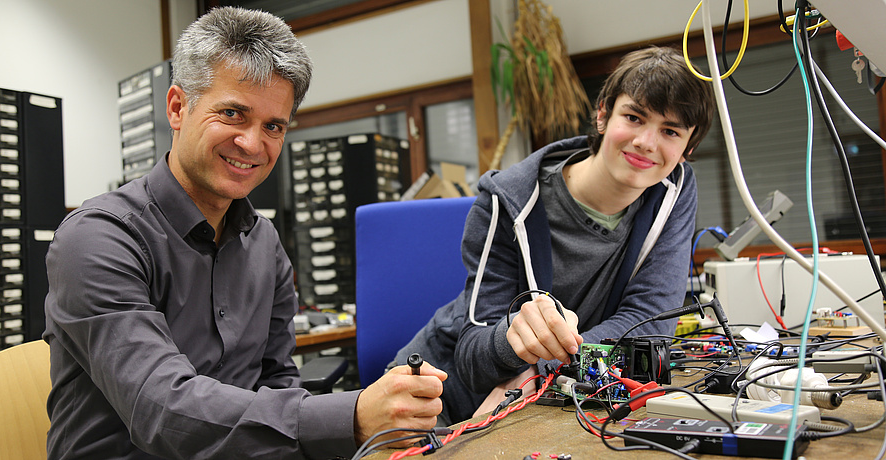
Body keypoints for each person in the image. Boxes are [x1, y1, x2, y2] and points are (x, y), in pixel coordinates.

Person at [43, 7, 445, 459]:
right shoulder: (99, 239)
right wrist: (350, 417)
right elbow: (161, 409)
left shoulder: (264, 243)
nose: (254, 144)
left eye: (274, 126)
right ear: (178, 108)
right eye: (233, 113)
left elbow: (277, 382)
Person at [394, 46, 715, 424]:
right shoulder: (508, 201)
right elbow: (473, 357)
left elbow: (648, 323)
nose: (647, 142)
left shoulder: (673, 189)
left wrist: (541, 373)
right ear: (602, 114)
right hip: (439, 398)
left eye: (670, 131)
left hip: (542, 399)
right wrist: (514, 341)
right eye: (633, 117)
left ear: (688, 148)